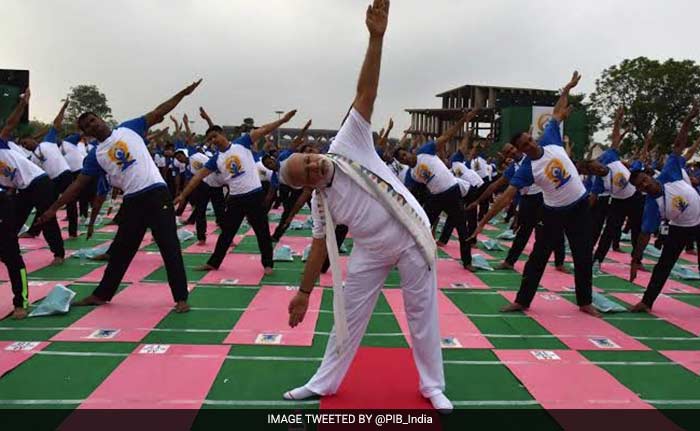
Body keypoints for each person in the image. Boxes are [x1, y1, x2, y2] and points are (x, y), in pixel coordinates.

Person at [278, 0, 452, 413]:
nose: (313, 164)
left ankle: (432, 386)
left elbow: (366, 93)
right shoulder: (321, 203)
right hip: (371, 251)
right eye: (306, 171)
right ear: (305, 184)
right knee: (347, 314)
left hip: (410, 234)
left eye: (307, 157)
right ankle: (324, 382)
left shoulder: (347, 144)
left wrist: (376, 39)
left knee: (421, 313)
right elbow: (319, 248)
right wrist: (303, 293)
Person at [36, 80, 204, 313]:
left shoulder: (128, 128)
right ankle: (101, 294)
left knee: (169, 246)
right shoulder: (95, 155)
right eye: (86, 126)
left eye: (93, 120)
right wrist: (55, 207)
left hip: (156, 193)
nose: (92, 126)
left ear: (101, 119)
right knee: (122, 250)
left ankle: (181, 298)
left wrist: (182, 94)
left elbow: (159, 111)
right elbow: (78, 185)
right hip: (133, 200)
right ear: (86, 133)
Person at [471, 72, 599, 317]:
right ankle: (522, 301)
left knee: (583, 255)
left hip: (580, 206)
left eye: (529, 140)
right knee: (538, 258)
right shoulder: (528, 168)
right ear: (520, 151)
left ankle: (585, 301)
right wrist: (482, 222)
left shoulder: (550, 137)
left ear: (533, 137)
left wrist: (567, 89)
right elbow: (507, 196)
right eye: (524, 145)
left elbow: (558, 112)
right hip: (553, 213)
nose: (530, 145)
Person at [174, 110, 298, 275]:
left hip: (254, 195)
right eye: (210, 140)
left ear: (222, 135)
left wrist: (282, 120)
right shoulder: (216, 159)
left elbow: (264, 130)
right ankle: (213, 263)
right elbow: (198, 177)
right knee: (226, 233)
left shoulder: (242, 142)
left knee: (262, 232)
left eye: (215, 137)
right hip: (235, 200)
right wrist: (183, 195)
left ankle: (268, 264)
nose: (213, 141)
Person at [628, 102, 700, 311]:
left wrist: (687, 120)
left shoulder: (669, 172)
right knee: (663, 266)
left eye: (644, 180)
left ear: (649, 176)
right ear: (641, 191)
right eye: (641, 185)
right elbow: (644, 235)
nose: (644, 184)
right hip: (679, 230)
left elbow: (678, 145)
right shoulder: (651, 206)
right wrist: (635, 259)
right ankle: (646, 302)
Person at [395, 109, 479, 270]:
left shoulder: (424, 151)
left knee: (462, 228)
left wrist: (463, 120)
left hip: (452, 192)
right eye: (402, 159)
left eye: (405, 154)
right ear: (402, 163)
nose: (405, 158)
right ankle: (408, 258)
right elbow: (408, 192)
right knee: (422, 226)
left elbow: (447, 136)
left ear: (409, 152)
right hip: (435, 198)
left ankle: (467, 262)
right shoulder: (411, 175)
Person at [468, 143, 568, 272]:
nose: (512, 152)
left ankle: (559, 263)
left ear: (518, 148)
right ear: (506, 156)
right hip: (528, 200)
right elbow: (495, 185)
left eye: (513, 148)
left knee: (555, 229)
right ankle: (509, 262)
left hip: (544, 197)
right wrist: (478, 201)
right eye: (508, 152)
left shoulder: (530, 157)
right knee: (523, 233)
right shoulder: (512, 169)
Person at [0, 90, 65, 265]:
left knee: (46, 218)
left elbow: (10, 124)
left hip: (39, 182)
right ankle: (7, 253)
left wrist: (23, 103)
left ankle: (58, 253)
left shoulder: (0, 143)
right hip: (24, 188)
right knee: (11, 222)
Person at [590, 107, 644, 270]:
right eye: (595, 171)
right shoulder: (599, 181)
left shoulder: (609, 156)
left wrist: (618, 119)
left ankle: (637, 260)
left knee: (637, 230)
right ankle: (597, 259)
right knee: (609, 231)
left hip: (635, 197)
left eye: (597, 166)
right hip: (618, 203)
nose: (598, 169)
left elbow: (615, 138)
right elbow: (593, 197)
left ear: (599, 161)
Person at [20, 99, 80, 238]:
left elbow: (56, 123)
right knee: (45, 205)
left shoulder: (48, 141)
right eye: (23, 145)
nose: (25, 146)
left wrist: (63, 108)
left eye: (25, 142)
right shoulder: (32, 159)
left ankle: (73, 233)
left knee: (70, 202)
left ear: (31, 138)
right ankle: (33, 231)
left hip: (65, 175)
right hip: (52, 181)